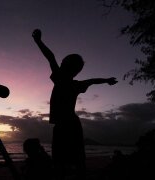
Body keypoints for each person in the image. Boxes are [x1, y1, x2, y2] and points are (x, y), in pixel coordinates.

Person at [32, 29, 118, 179]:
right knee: (74, 157)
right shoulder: (75, 84)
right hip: (70, 123)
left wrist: (38, 41)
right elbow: (92, 80)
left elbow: (51, 57)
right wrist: (106, 80)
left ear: (66, 65)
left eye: (63, 63)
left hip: (66, 124)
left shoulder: (61, 78)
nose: (60, 64)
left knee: (64, 159)